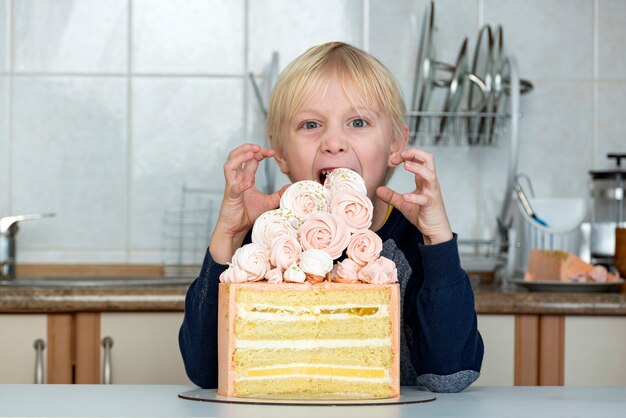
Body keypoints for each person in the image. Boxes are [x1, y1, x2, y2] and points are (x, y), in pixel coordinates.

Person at [179, 41, 484, 393]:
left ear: (396, 145)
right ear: (278, 151)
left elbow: (451, 375)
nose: (334, 142)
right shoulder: (263, 243)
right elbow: (205, 371)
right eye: (311, 124)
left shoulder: (416, 247)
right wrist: (228, 238)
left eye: (358, 122)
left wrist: (438, 239)